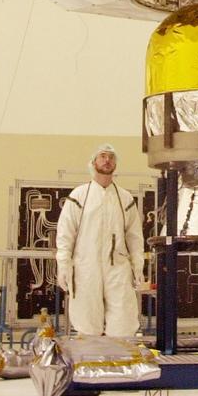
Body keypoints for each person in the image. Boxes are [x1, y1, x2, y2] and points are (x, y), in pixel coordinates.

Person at [56, 144, 144, 337]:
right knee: (87, 323)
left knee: (124, 322)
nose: (107, 160)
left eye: (111, 157)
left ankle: (120, 364)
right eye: (102, 156)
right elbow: (65, 235)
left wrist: (138, 266)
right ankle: (91, 364)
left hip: (118, 268)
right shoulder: (79, 196)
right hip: (86, 267)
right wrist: (63, 266)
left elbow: (134, 236)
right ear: (94, 162)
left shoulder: (124, 198)